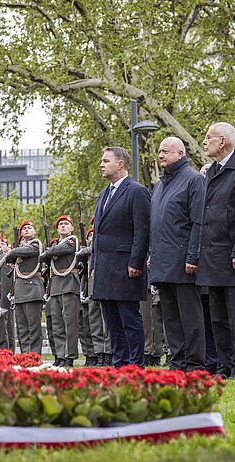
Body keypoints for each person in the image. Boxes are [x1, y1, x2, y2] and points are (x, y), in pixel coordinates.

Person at [197, 122, 235, 380]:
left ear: (222, 141)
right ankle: (223, 366)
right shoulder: (211, 171)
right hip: (211, 254)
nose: (204, 142)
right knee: (217, 315)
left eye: (208, 137)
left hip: (233, 254)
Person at [149, 136, 206, 372]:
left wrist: (193, 257)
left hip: (183, 261)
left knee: (190, 316)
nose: (161, 155)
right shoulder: (160, 184)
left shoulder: (193, 180)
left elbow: (198, 222)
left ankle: (194, 363)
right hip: (163, 260)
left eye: (165, 151)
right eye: (159, 151)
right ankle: (177, 360)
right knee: (170, 316)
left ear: (180, 153)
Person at [91, 146, 151, 367]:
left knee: (129, 319)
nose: (101, 164)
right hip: (105, 268)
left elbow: (142, 230)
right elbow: (98, 234)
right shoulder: (103, 194)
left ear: (121, 164)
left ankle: (135, 364)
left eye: (106, 161)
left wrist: (136, 262)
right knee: (112, 322)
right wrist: (95, 265)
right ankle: (119, 363)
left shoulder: (136, 191)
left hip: (125, 266)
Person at [4, 221, 46, 355]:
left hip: (32, 289)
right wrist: (13, 252)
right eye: (24, 229)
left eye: (29, 228)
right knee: (21, 327)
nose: (26, 230)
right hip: (20, 290)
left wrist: (13, 251)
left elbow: (24, 251)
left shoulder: (35, 244)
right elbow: (8, 259)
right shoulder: (20, 248)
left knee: (33, 327)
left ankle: (34, 355)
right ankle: (24, 354)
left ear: (34, 231)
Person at [44, 216, 82, 366]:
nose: (63, 226)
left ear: (72, 228)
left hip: (69, 284)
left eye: (66, 224)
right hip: (55, 286)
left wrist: (48, 252)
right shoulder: (54, 244)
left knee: (69, 323)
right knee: (57, 323)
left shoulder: (72, 241)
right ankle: (59, 356)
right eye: (60, 225)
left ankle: (69, 356)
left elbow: (63, 249)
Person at [77, 227, 110, 366]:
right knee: (95, 323)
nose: (92, 237)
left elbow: (89, 249)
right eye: (90, 235)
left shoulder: (102, 243)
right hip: (91, 288)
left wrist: (84, 249)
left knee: (106, 323)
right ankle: (99, 354)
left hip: (105, 286)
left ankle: (108, 353)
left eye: (93, 234)